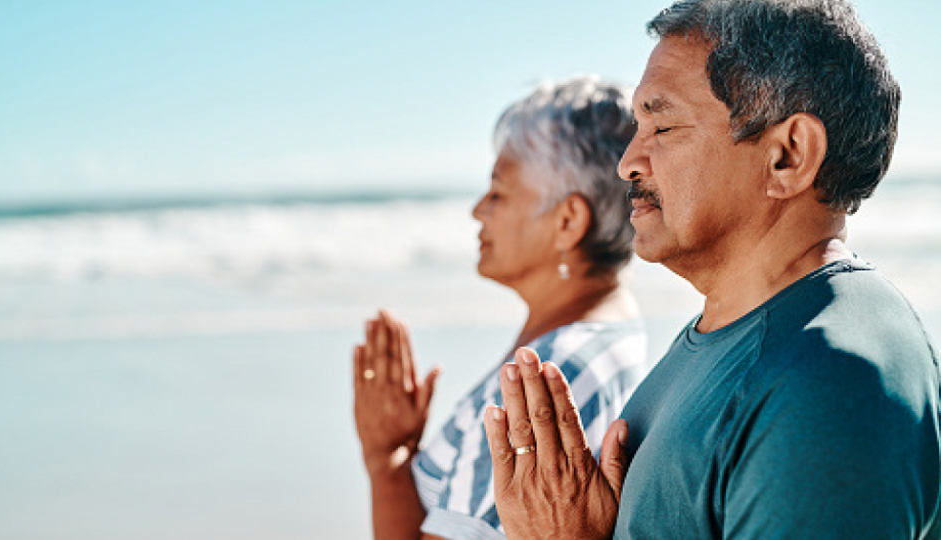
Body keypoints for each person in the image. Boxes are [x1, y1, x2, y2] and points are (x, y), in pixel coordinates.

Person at [482, 1, 941, 539]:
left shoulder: (829, 383)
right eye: (638, 126)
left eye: (664, 125)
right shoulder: (736, 335)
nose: (627, 161)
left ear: (787, 156)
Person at [352, 76, 649, 540]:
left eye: (498, 192)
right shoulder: (617, 326)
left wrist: (385, 459)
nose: (478, 211)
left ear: (568, 220)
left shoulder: (538, 386)